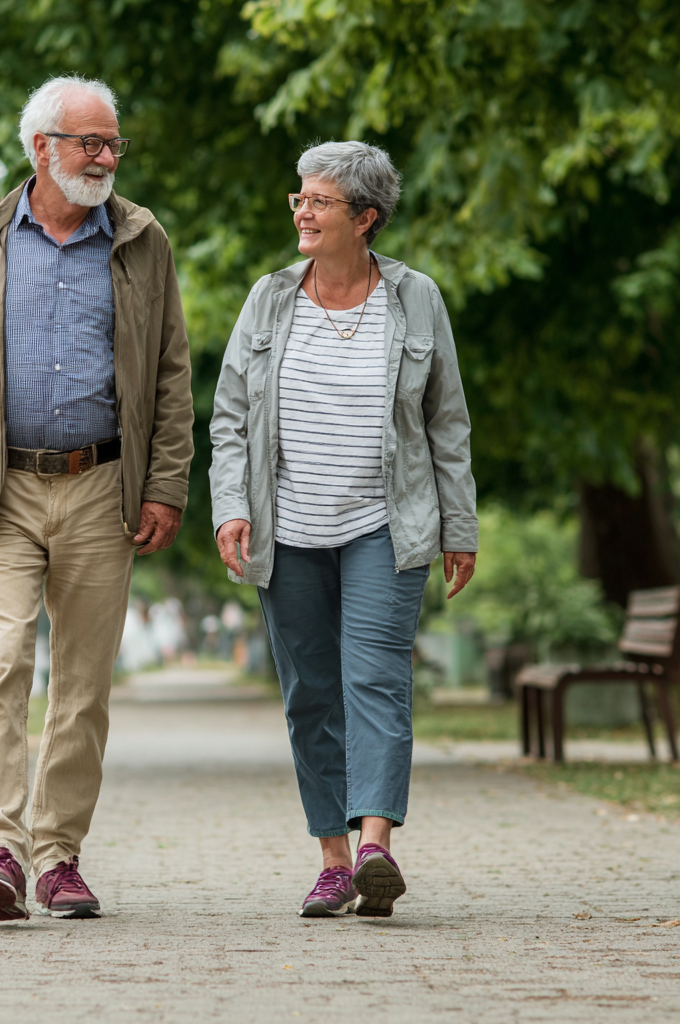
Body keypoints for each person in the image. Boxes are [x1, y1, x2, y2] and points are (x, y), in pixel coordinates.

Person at [0, 75, 193, 922]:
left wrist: (166, 482)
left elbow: (173, 375)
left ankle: (58, 856)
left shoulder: (141, 239)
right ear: (40, 148)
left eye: (112, 143)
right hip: (0, 488)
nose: (104, 157)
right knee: (4, 662)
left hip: (103, 487)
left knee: (84, 685)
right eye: (88, 142)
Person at [209, 141, 477, 919]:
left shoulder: (415, 299)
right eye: (299, 197)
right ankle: (332, 858)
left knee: (376, 683)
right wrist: (233, 505)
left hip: (384, 527)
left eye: (318, 201)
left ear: (365, 219)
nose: (301, 210)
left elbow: (446, 422)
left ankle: (375, 848)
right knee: (310, 694)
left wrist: (458, 524)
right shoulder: (268, 299)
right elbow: (230, 419)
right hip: (285, 529)